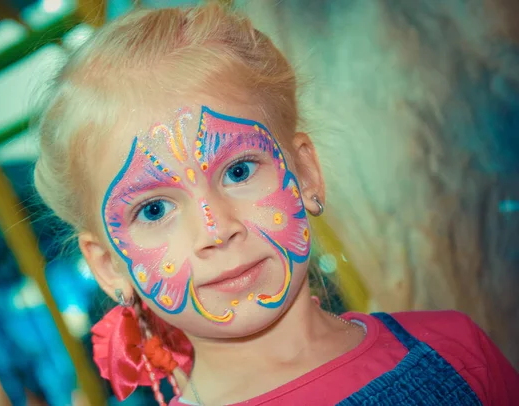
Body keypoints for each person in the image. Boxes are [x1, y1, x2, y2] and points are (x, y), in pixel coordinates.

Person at [33, 3, 519, 405]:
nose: (215, 228)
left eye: (238, 171)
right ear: (107, 265)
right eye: (155, 209)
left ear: (305, 172)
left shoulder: (457, 351)